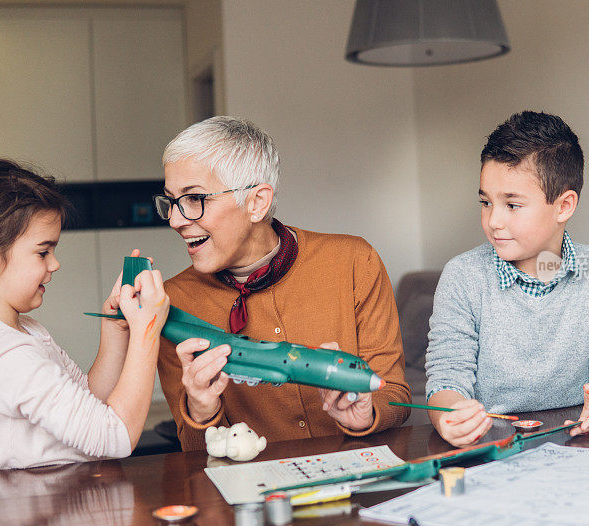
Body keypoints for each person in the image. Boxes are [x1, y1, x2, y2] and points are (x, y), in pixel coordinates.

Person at [155, 116, 410, 450]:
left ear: (257, 202)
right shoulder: (171, 303)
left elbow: (393, 391)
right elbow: (194, 449)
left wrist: (367, 413)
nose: (175, 220)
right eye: (171, 201)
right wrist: (201, 411)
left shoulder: (354, 261)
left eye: (194, 199)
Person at [425, 111, 589, 447]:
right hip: (490, 444)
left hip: (576, 441)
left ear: (564, 206)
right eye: (485, 202)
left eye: (512, 205)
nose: (493, 220)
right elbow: (446, 376)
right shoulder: (463, 276)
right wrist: (448, 416)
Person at [0, 158, 169, 472]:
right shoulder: (0, 354)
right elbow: (115, 436)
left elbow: (88, 406)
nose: (54, 264)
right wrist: (148, 330)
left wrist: (117, 330)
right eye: (43, 252)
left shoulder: (21, 330)